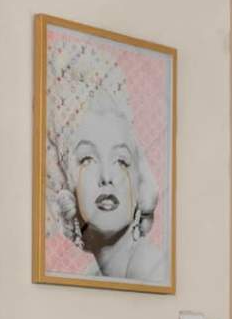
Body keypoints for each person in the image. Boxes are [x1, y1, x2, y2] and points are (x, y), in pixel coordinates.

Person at [47, 59, 164, 281]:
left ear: (140, 179)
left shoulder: (150, 268)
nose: (107, 178)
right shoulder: (95, 274)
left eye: (121, 161)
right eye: (88, 160)